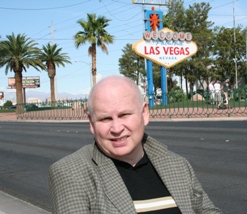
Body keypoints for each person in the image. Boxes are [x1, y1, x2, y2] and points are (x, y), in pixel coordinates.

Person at [48, 76, 222, 214]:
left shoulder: (178, 165)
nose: (116, 128)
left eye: (124, 115)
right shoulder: (71, 173)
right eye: (105, 118)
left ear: (144, 113)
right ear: (92, 123)